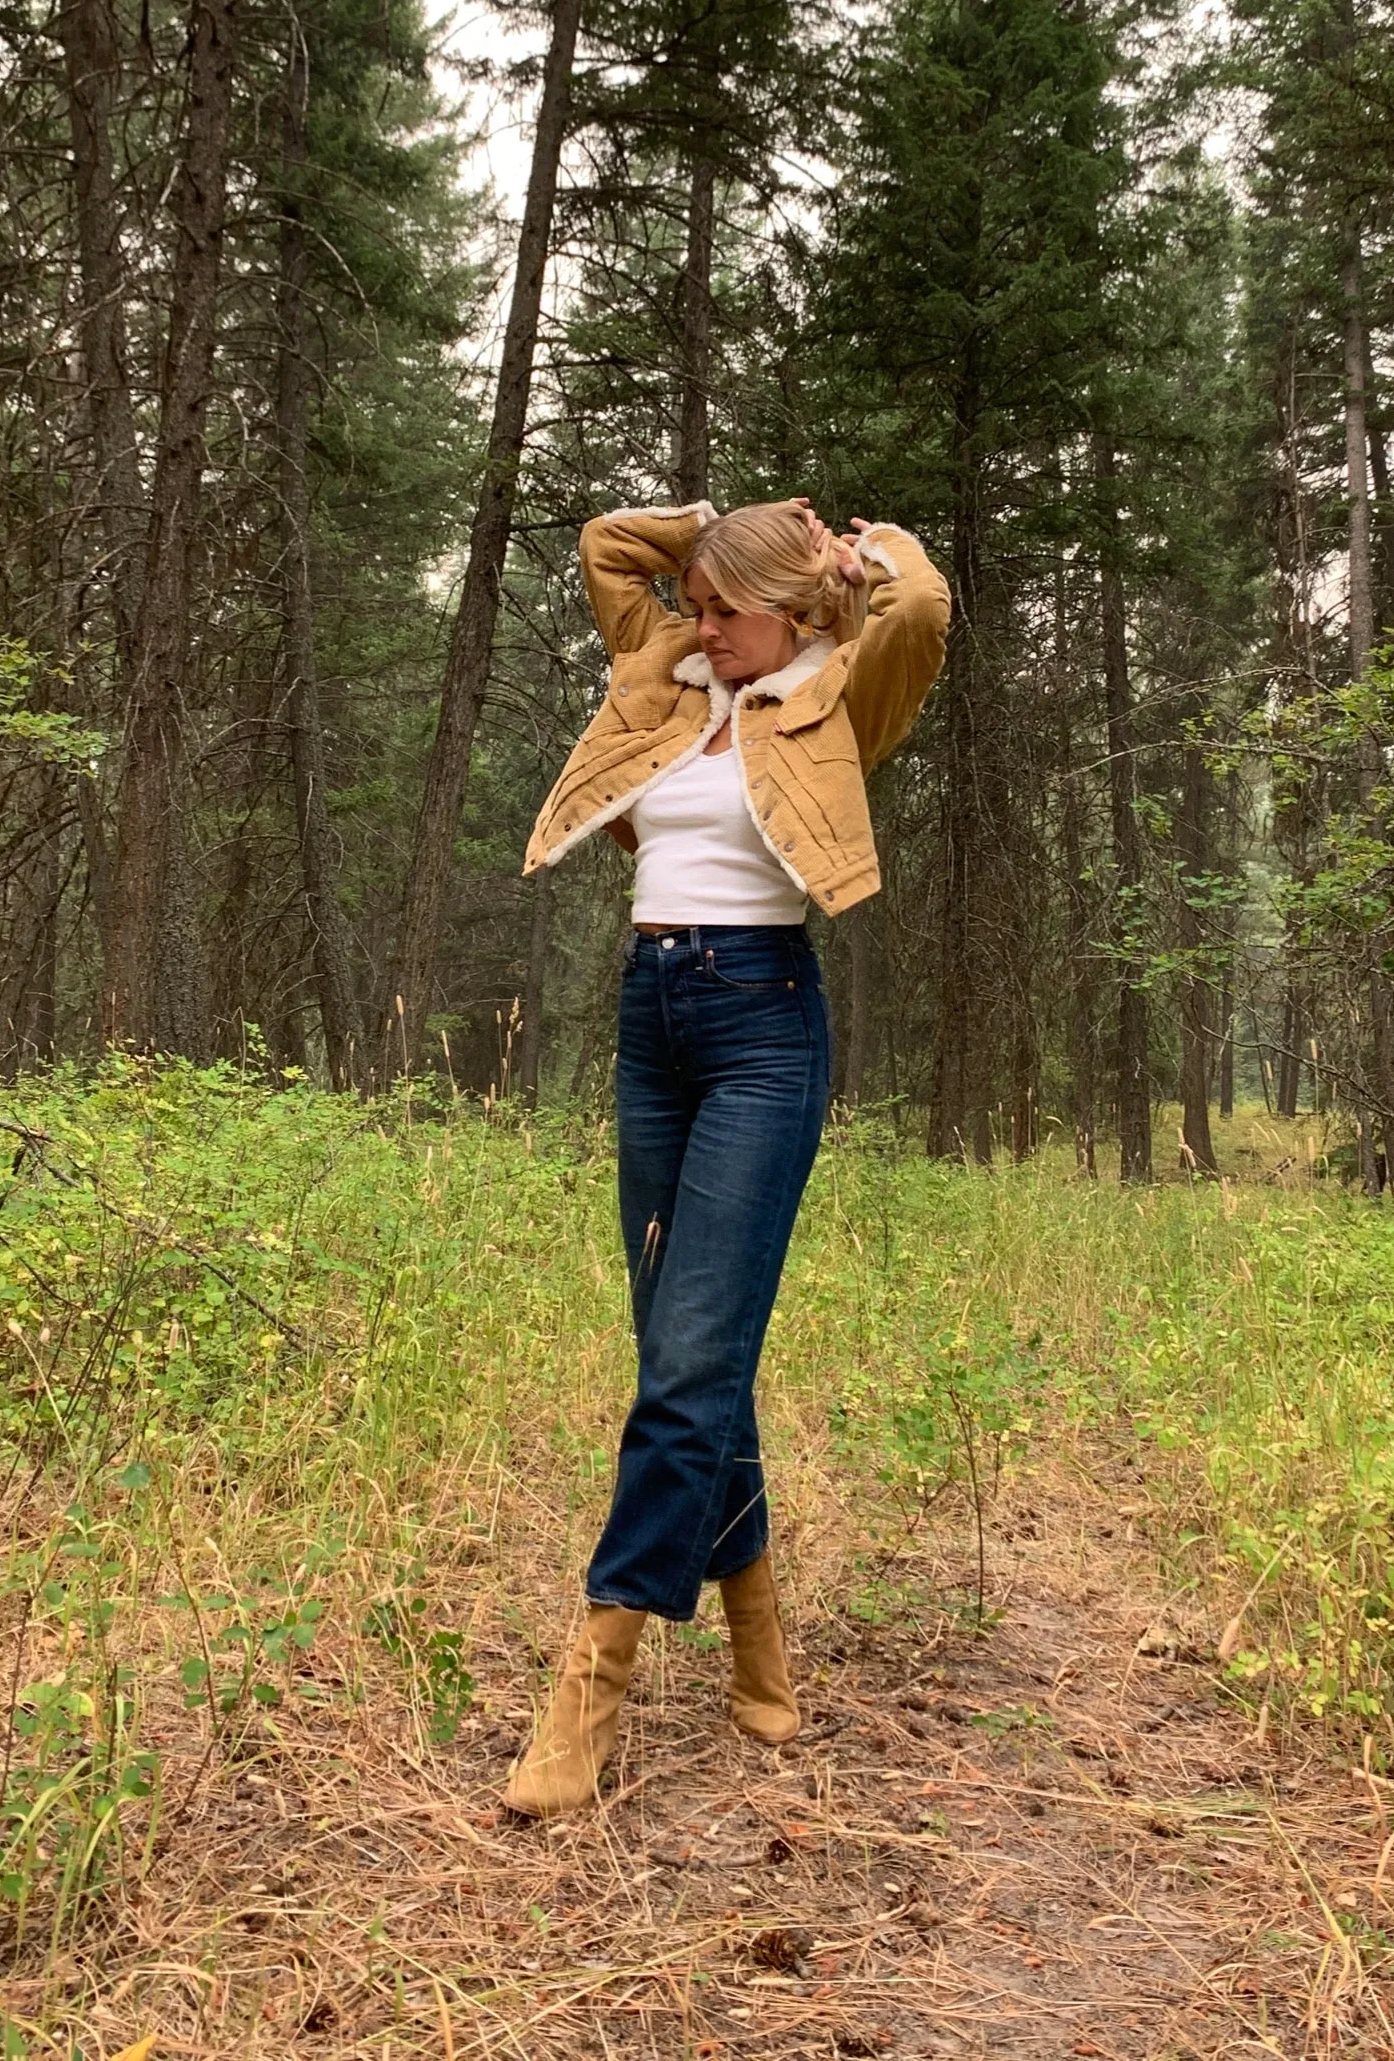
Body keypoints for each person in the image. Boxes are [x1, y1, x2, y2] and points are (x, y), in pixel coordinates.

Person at [505, 496, 950, 1818]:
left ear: (799, 609)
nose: (700, 626)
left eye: (726, 608)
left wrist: (859, 559)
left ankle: (592, 1681)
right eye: (692, 604)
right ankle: (755, 1626)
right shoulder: (668, 668)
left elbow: (917, 610)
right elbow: (604, 545)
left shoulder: (839, 689)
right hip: (652, 1018)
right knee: (684, 1349)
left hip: (765, 1023)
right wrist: (711, 528)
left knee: (694, 1351)